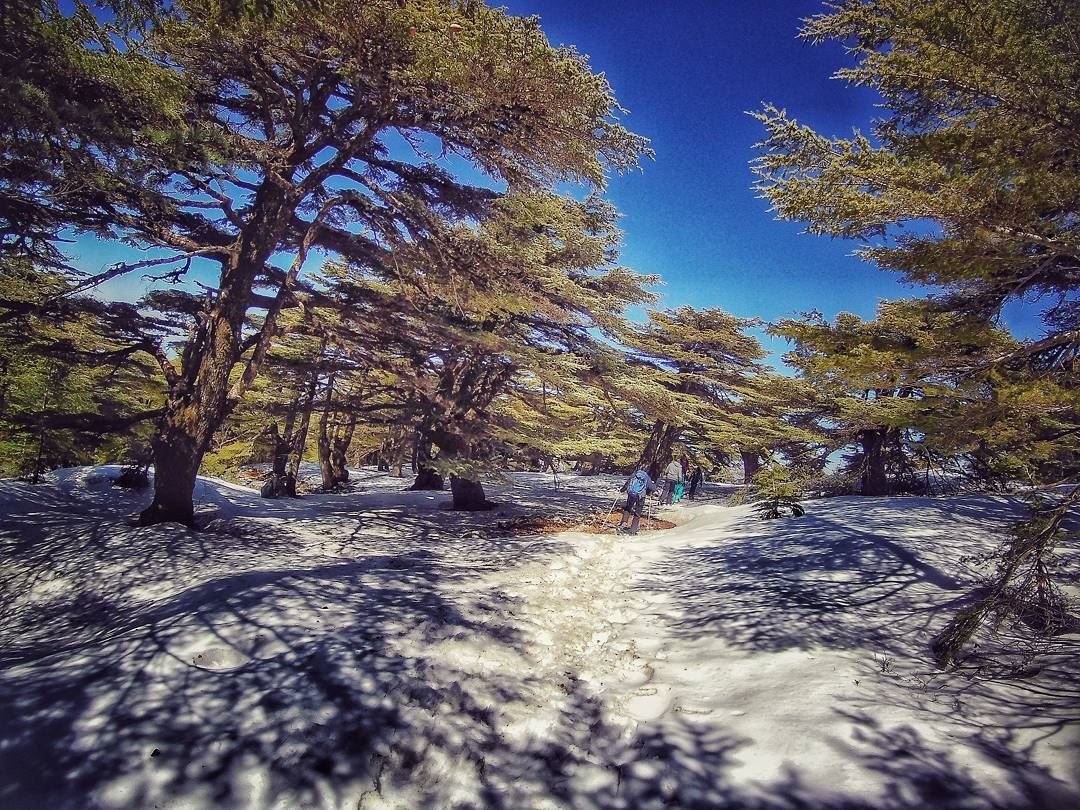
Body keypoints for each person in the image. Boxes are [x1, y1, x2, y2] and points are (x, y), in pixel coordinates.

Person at [618, 468, 655, 535]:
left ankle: (623, 523)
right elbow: (653, 488)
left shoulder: (634, 475)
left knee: (628, 508)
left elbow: (627, 483)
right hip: (640, 497)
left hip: (631, 494)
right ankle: (633, 530)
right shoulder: (647, 477)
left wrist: (622, 490)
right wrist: (652, 485)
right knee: (637, 513)